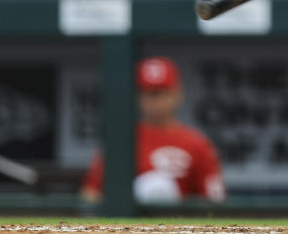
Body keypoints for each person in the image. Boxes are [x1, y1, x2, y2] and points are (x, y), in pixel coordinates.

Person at [81, 56, 225, 203]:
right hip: (128, 223)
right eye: (149, 93)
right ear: (137, 96)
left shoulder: (197, 144)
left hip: (181, 223)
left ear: (177, 94)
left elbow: (214, 202)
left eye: (161, 92)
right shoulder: (120, 140)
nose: (155, 101)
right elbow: (90, 194)